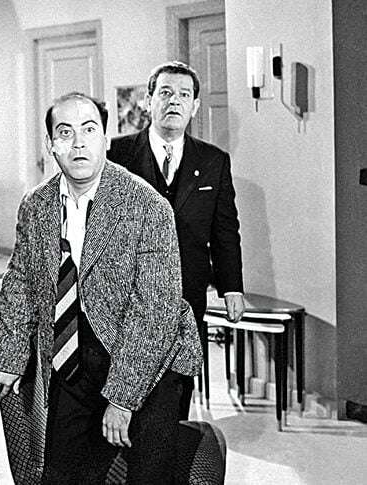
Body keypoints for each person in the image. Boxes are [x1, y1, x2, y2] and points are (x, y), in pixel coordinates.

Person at [0, 92, 202, 484]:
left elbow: (155, 313)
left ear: (105, 138)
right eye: (65, 133)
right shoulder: (36, 205)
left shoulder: (147, 205)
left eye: (89, 130)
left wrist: (122, 398)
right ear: (51, 144)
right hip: (72, 353)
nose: (78, 143)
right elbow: (20, 281)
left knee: (149, 477)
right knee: (59, 477)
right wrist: (10, 355)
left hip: (149, 356)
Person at [107, 61, 245, 418]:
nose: (174, 101)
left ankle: (171, 442)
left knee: (178, 381)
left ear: (194, 106)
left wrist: (232, 287)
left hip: (187, 290)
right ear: (148, 101)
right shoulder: (116, 155)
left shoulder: (214, 161)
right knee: (126, 377)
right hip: (127, 290)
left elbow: (225, 230)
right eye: (165, 93)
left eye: (184, 95)